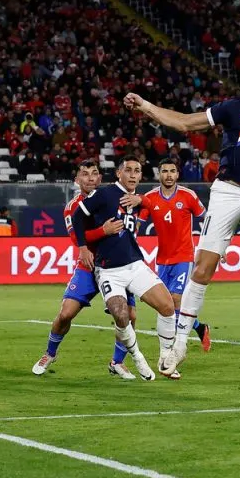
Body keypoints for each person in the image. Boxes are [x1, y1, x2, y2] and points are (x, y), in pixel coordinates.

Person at [125, 64, 240, 375]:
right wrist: (144, 105)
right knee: (202, 270)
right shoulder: (234, 108)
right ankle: (179, 345)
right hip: (226, 193)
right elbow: (184, 123)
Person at [72, 155, 182, 380]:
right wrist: (83, 248)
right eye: (128, 170)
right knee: (122, 316)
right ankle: (137, 357)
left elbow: (158, 206)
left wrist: (140, 199)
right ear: (118, 173)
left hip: (135, 265)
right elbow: (77, 217)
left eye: (137, 171)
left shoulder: (138, 199)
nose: (133, 175)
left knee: (167, 306)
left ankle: (165, 357)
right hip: (109, 270)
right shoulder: (104, 194)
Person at [31, 160, 140, 379]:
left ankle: (117, 362)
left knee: (129, 315)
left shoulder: (113, 197)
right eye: (85, 174)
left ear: (100, 178)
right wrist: (103, 231)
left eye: (94, 173)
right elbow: (76, 238)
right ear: (77, 180)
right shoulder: (72, 207)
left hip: (116, 265)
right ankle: (50, 353)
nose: (90, 178)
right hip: (89, 267)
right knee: (65, 313)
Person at [137, 159, 212, 355]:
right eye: (165, 171)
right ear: (159, 174)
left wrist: (215, 245)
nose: (169, 175)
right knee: (164, 304)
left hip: (184, 256)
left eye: (172, 171)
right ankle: (199, 327)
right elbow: (137, 224)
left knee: (176, 299)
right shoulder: (150, 198)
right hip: (162, 259)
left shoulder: (188, 195)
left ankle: (175, 347)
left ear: (177, 174)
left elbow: (207, 220)